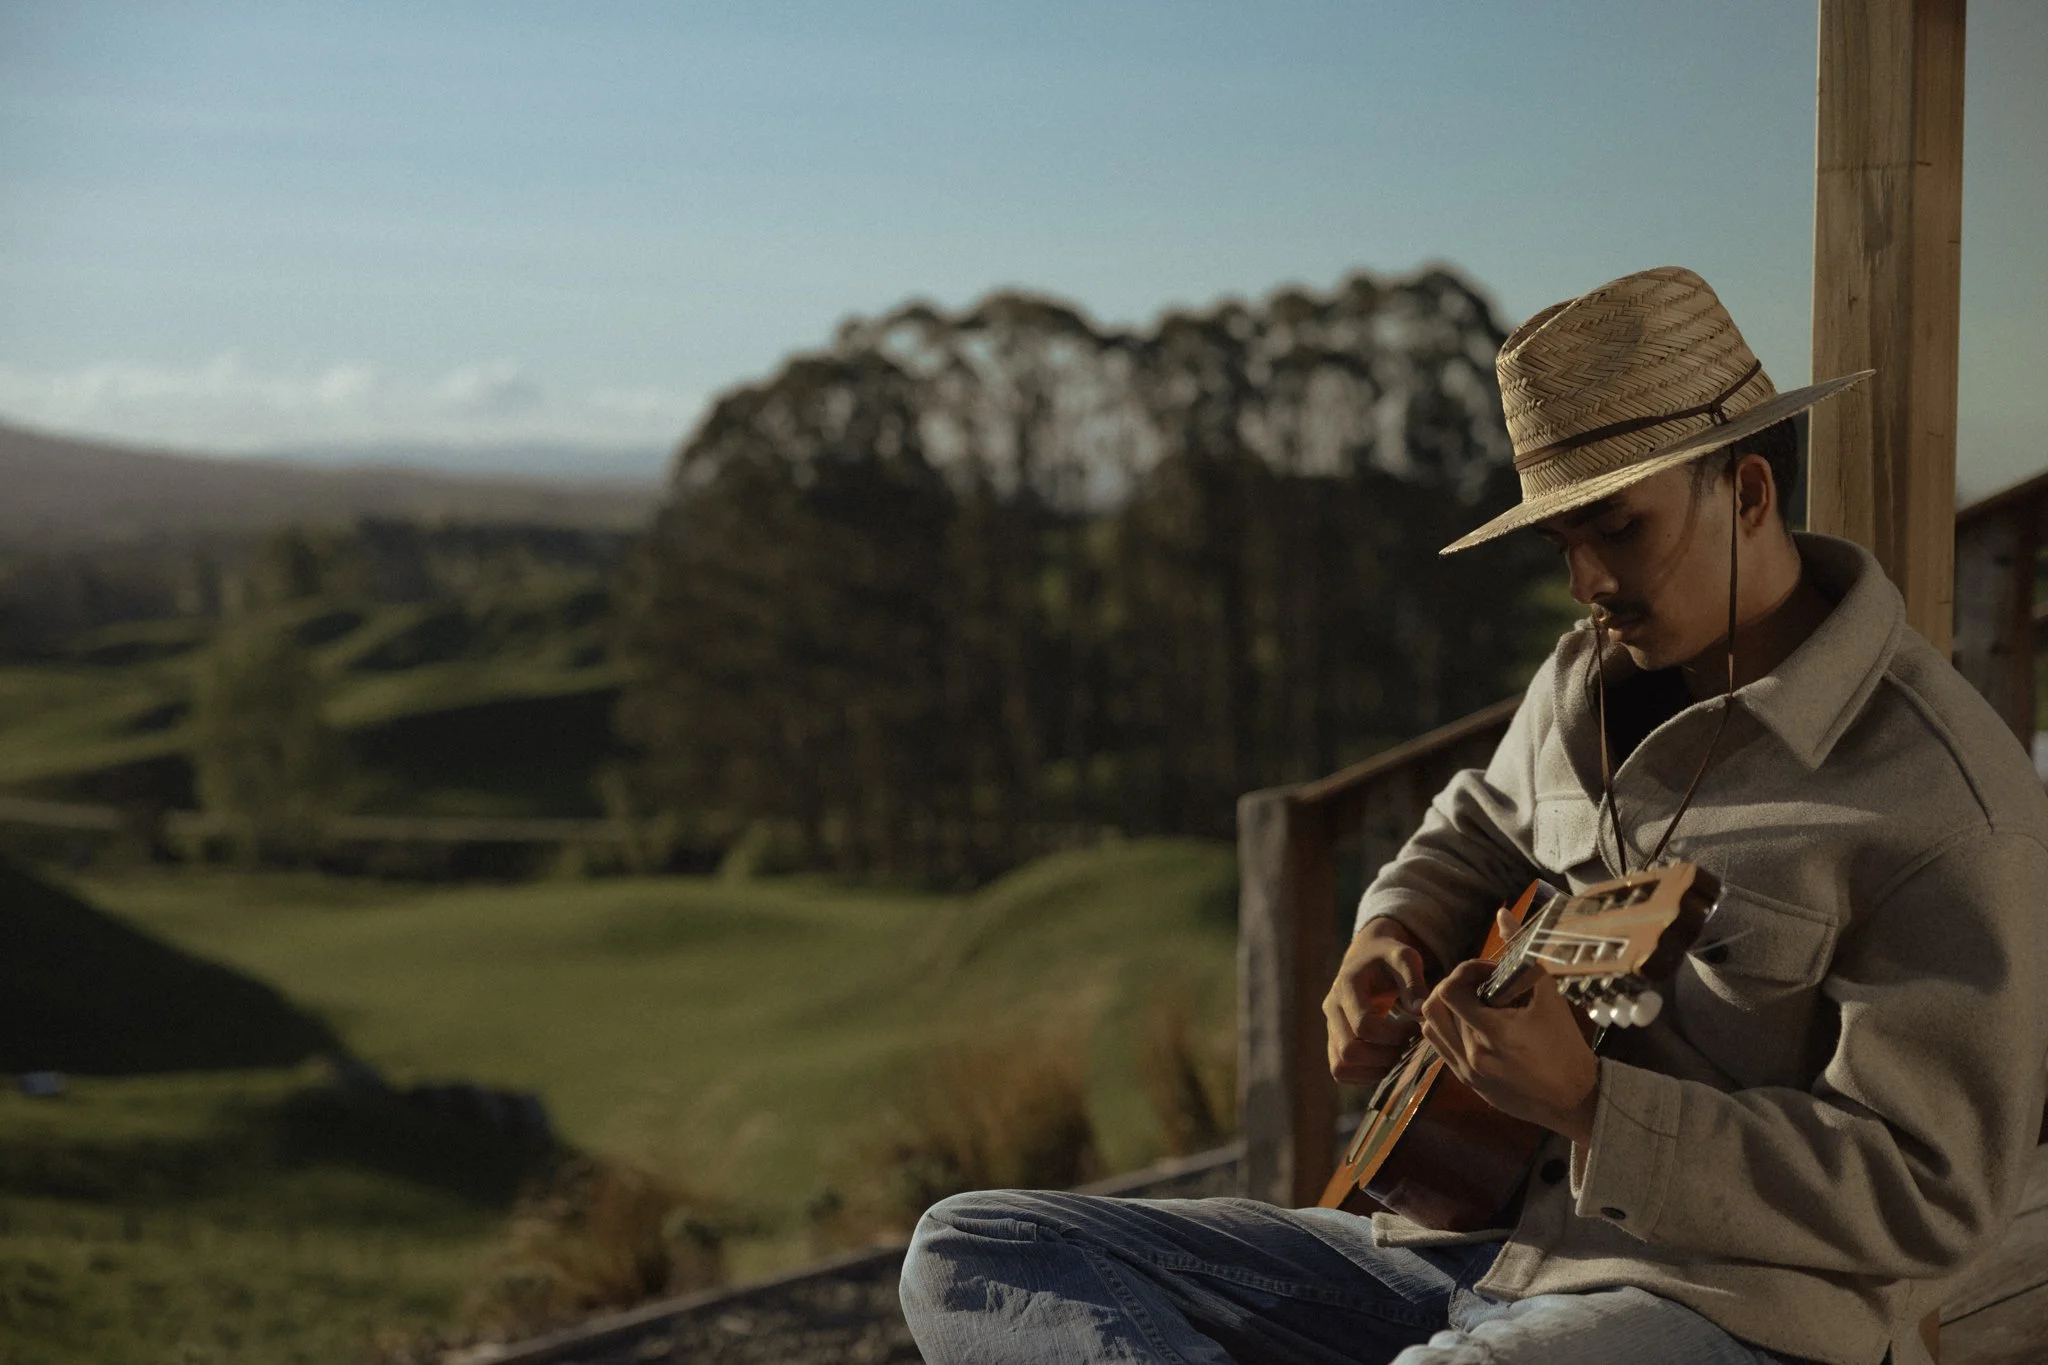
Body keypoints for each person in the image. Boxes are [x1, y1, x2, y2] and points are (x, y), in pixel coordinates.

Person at [895, 266, 2048, 1365]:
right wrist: (1382, 940)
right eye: (1564, 542)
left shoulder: (1940, 799)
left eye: (1619, 527)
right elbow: (1468, 828)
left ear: (1746, 492)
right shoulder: (1577, 686)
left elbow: (1932, 1196)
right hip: (1458, 1252)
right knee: (977, 1253)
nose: (1585, 583)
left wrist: (1596, 1106)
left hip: (1727, 1313)